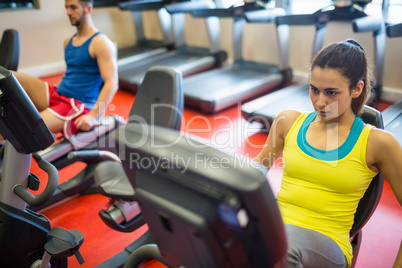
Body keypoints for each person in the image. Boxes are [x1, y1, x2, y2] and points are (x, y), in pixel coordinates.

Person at [255, 39, 402, 268]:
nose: (320, 102)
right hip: (276, 229)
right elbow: (253, 173)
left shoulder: (377, 143)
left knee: (285, 246)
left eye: (331, 93)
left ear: (357, 89)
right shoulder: (288, 121)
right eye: (314, 90)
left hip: (327, 242)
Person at [9, 0, 118, 137]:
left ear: (88, 9)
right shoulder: (68, 41)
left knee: (19, 131)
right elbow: (72, 73)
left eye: (73, 8)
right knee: (9, 77)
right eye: (66, 7)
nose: (68, 12)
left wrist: (92, 116)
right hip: (59, 93)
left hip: (77, 104)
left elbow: (111, 83)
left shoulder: (101, 43)